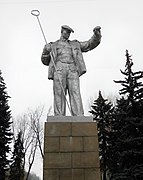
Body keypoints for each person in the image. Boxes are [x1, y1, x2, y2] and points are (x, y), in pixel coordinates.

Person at [41, 25, 102, 116]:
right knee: (59, 93)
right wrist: (45, 51)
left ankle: (78, 115)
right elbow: (45, 61)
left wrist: (96, 36)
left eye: (70, 33)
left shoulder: (75, 44)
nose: (68, 34)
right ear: (62, 32)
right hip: (59, 69)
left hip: (72, 69)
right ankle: (59, 116)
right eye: (67, 32)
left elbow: (89, 44)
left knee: (75, 92)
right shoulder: (53, 45)